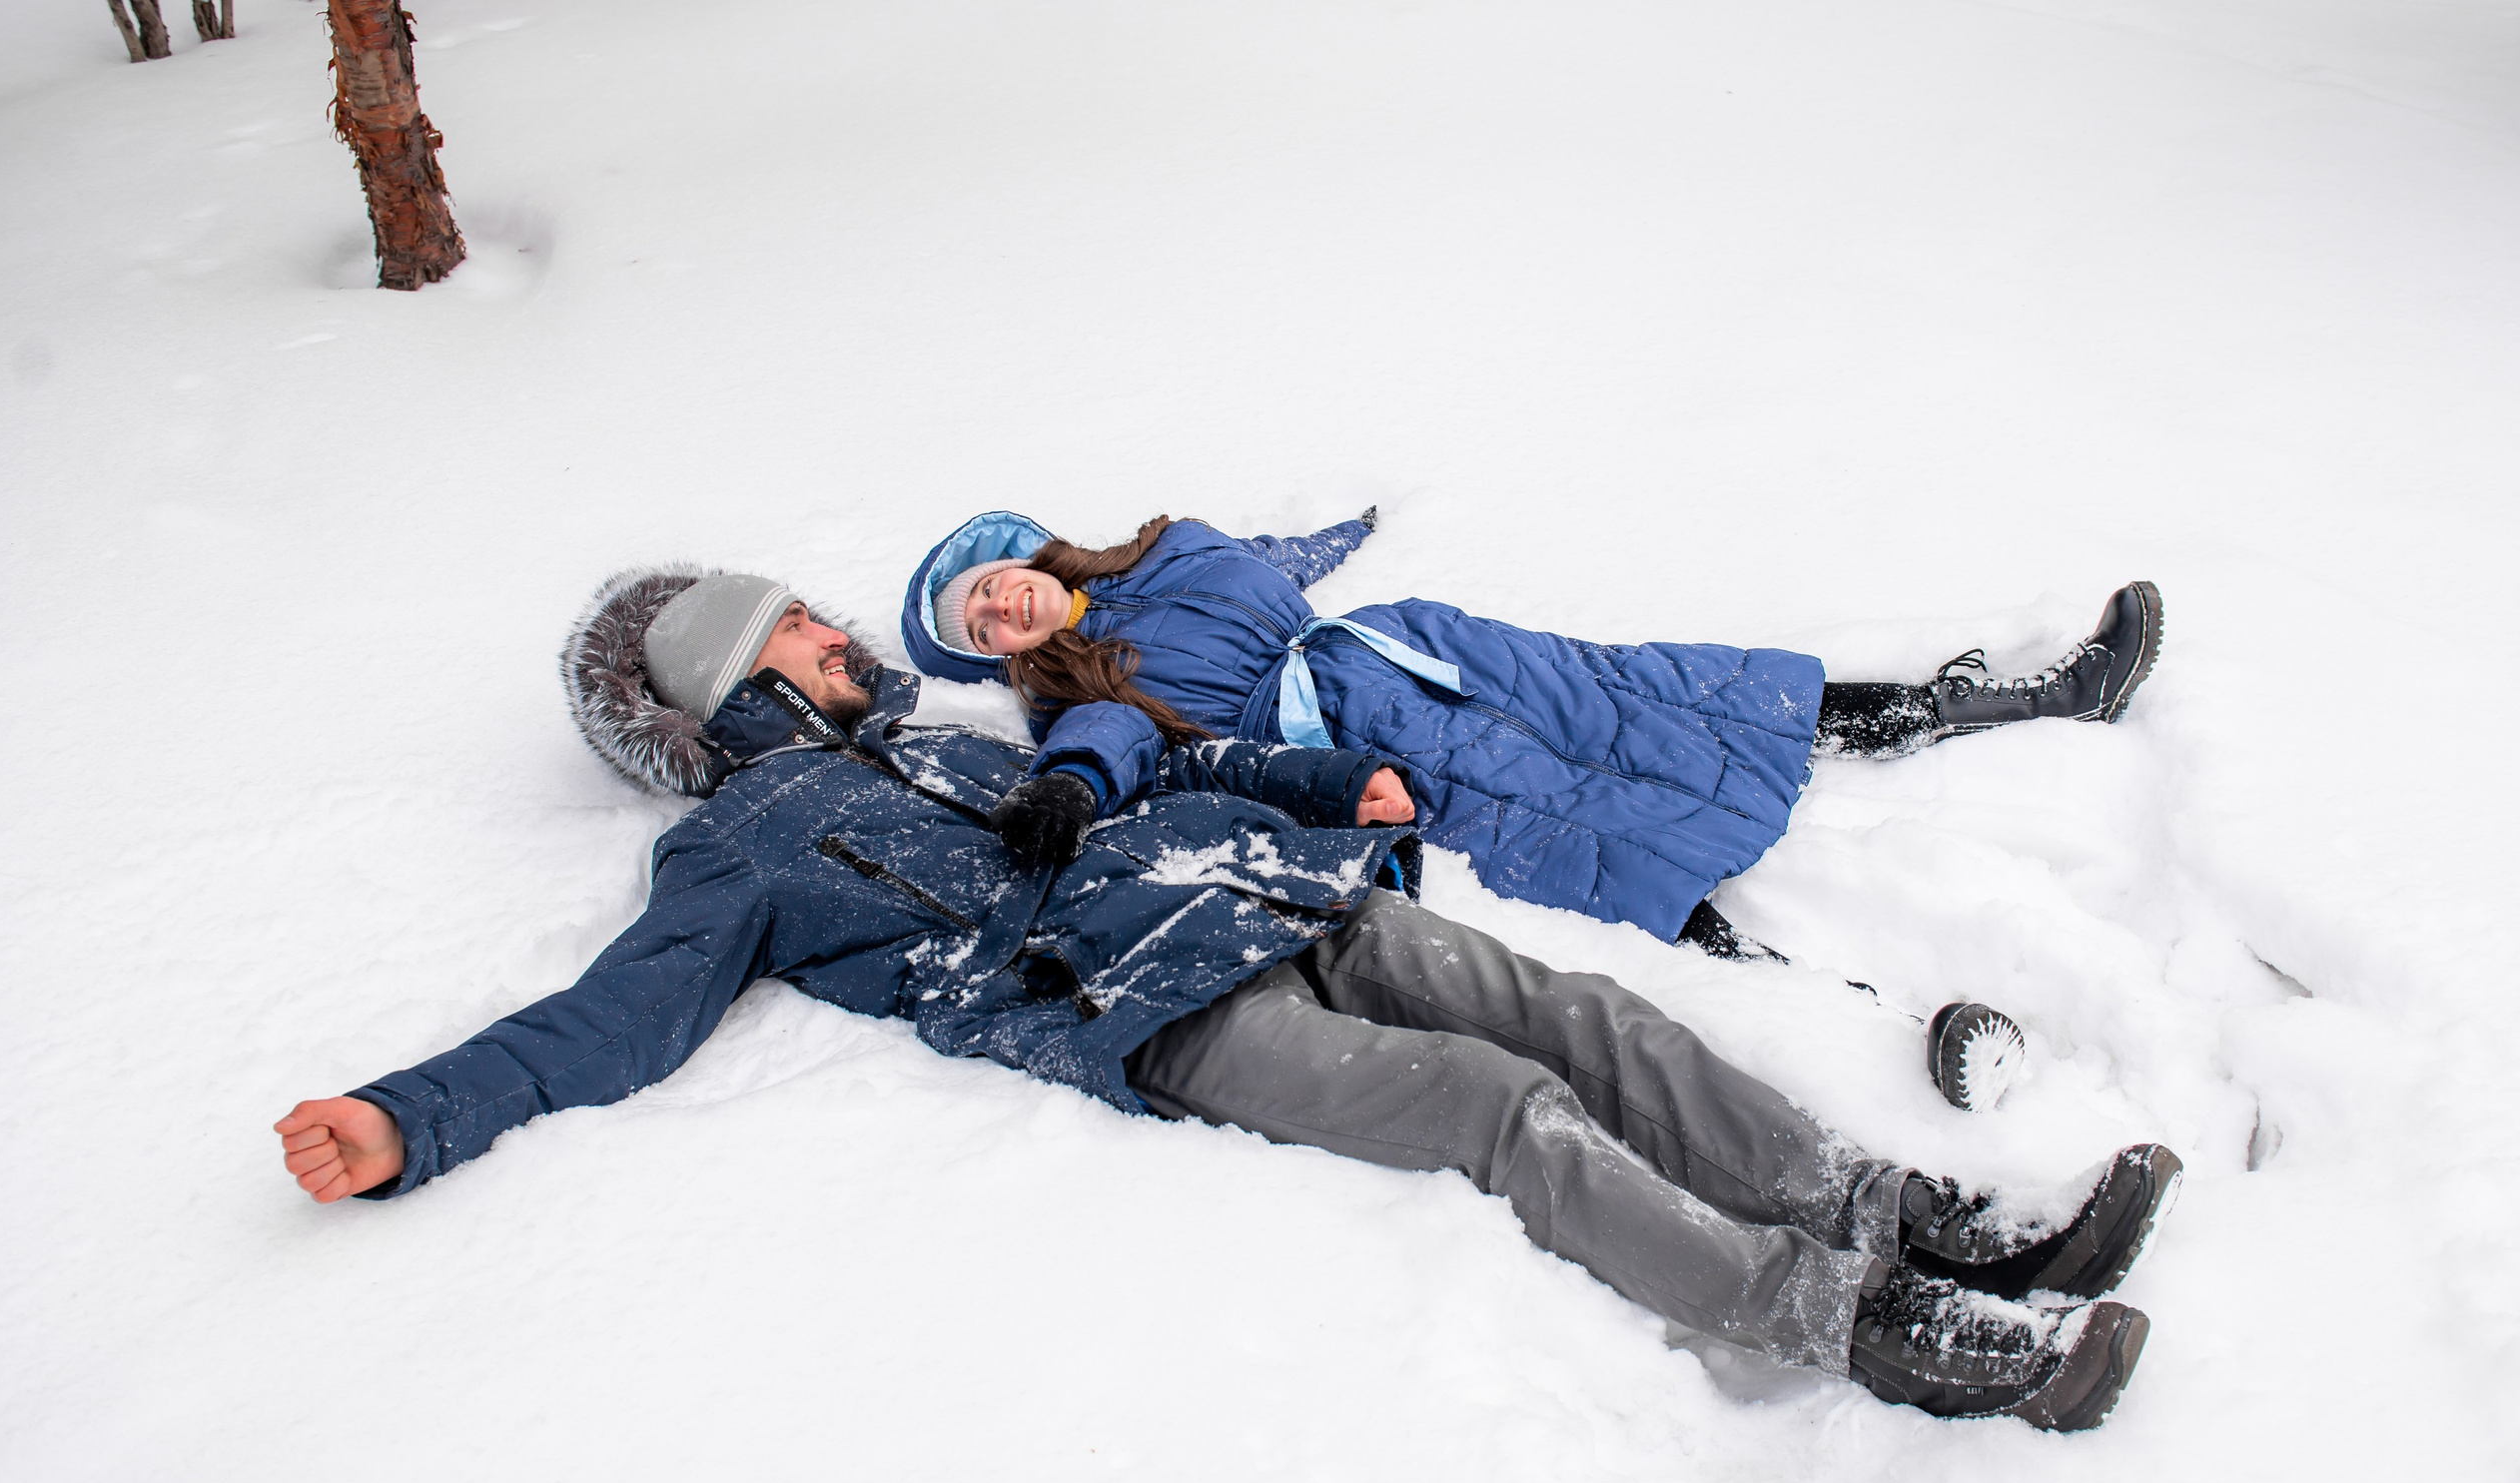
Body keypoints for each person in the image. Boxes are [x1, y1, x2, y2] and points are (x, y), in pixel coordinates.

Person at [276, 566, 2181, 1431]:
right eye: (793, 627)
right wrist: (404, 1113)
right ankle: (1864, 1323)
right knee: (1496, 1106)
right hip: (1143, 1005)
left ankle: (1905, 1213)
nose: (836, 632)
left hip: (1257, 891)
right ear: (725, 685)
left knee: (1577, 1016)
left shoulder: (941, 739)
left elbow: (1168, 769)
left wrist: (1319, 786)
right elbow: (604, 1022)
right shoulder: (741, 847)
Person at [898, 510, 2163, 957]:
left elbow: (1275, 560)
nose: (1001, 608)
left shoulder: (1163, 542)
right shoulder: (1080, 690)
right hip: (1341, 723)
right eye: (981, 626)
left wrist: (1355, 524)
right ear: (994, 652)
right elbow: (1108, 745)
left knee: (1661, 692)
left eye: (992, 584)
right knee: (1550, 816)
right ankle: (1819, 999)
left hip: (1422, 641)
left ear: (1025, 555)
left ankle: (2007, 702)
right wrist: (1068, 784)